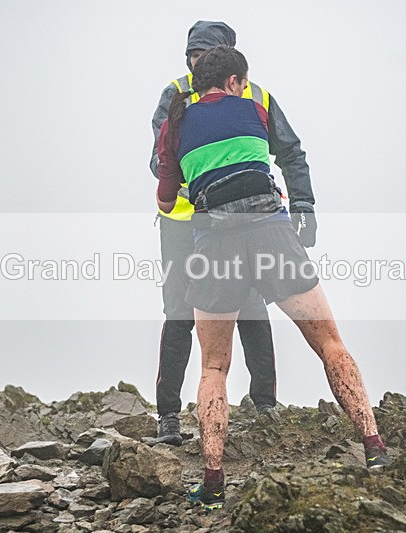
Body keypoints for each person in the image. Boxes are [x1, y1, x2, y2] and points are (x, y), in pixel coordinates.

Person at [157, 45, 390, 511]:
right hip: (272, 235)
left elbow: (166, 201)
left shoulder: (174, 125)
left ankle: (214, 480)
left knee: (213, 368)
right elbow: (291, 155)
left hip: (214, 248)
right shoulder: (257, 110)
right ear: (235, 81)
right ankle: (374, 446)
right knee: (329, 343)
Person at [149, 21, 317, 445]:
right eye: (192, 55)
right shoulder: (176, 95)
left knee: (253, 304)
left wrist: (304, 204)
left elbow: (291, 152)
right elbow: (161, 160)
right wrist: (205, 186)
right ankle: (168, 416)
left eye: (206, 54)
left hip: (243, 223)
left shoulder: (256, 96)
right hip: (184, 223)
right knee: (179, 311)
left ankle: (264, 405)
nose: (197, 62)